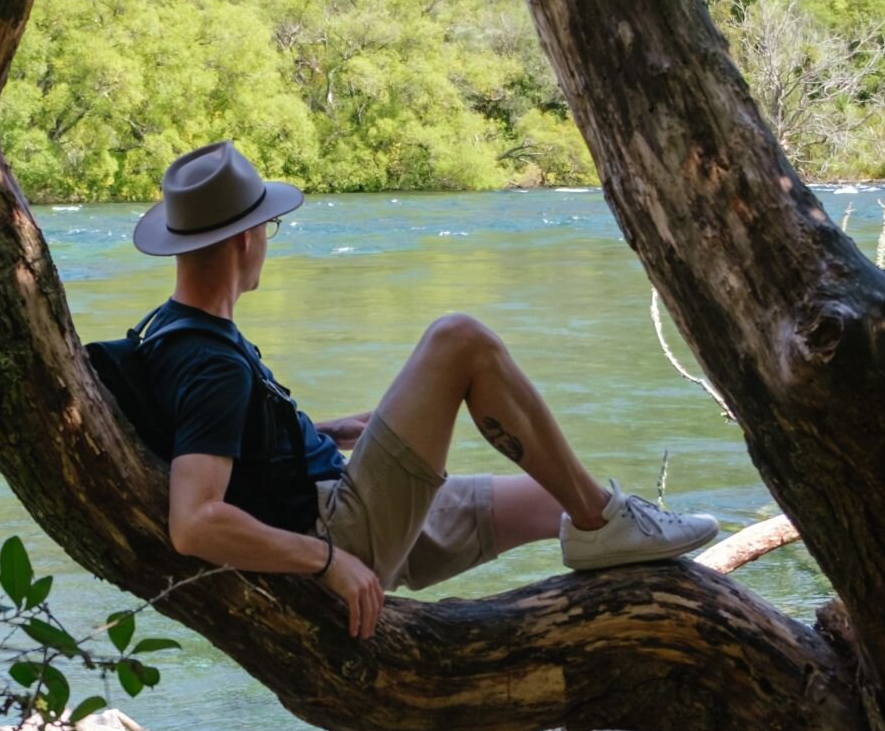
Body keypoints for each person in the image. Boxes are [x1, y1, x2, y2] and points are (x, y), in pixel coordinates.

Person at [131, 141, 721, 639]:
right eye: (269, 228)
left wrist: (332, 432)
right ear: (245, 239)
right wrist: (330, 561)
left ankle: (606, 544)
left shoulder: (174, 330)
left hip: (339, 499)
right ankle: (606, 521)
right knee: (458, 339)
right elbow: (195, 522)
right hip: (339, 530)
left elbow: (224, 439)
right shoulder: (212, 362)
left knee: (554, 501)